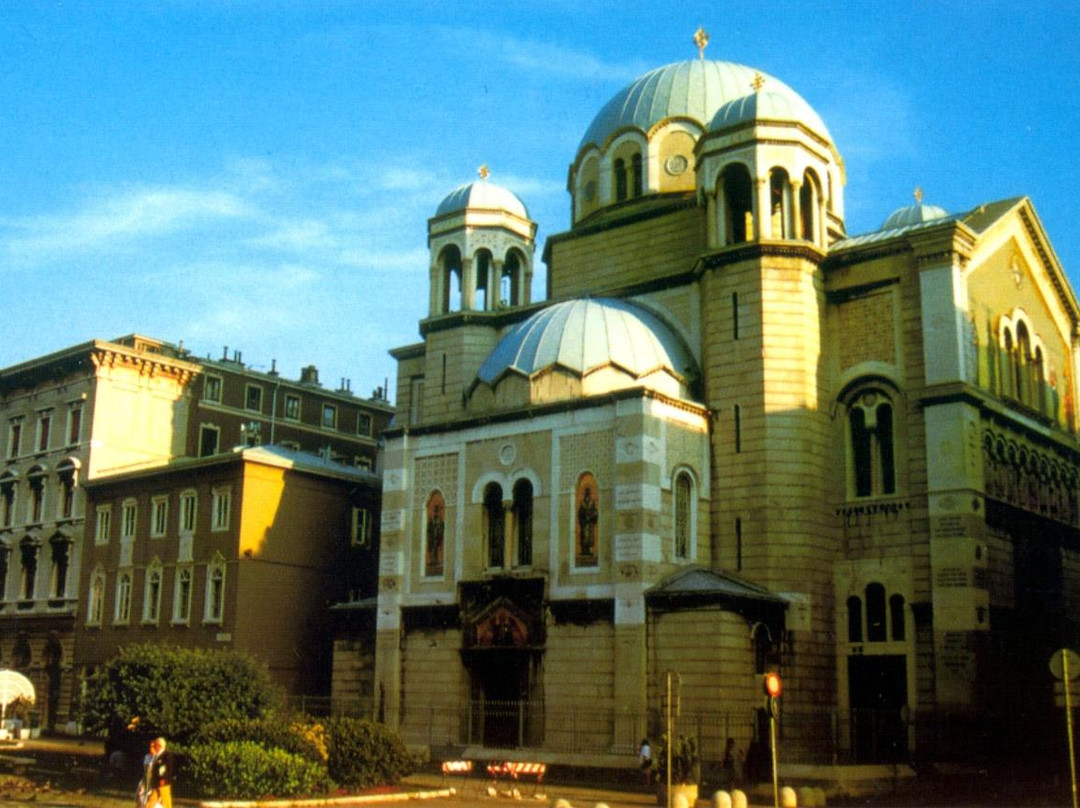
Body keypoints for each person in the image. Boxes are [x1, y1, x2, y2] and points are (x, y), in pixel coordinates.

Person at [136, 737, 174, 808]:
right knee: (151, 801)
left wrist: (164, 779)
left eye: (155, 745)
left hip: (163, 783)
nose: (153, 746)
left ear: (159, 745)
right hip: (155, 783)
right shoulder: (156, 755)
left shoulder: (167, 755)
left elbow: (168, 769)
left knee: (166, 801)